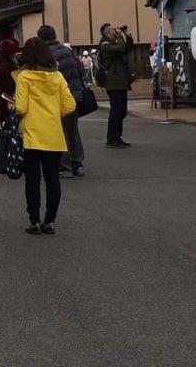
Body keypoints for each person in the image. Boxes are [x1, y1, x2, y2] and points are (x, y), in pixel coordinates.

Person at [14, 36, 76, 234]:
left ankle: (34, 221)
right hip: (53, 132)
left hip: (32, 133)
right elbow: (70, 105)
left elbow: (21, 107)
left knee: (32, 179)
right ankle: (50, 220)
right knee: (52, 179)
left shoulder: (24, 77)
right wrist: (54, 114)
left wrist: (13, 106)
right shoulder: (57, 77)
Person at [37, 25, 86, 178]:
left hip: (58, 98)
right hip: (75, 95)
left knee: (61, 132)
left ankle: (64, 166)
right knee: (73, 131)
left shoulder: (45, 54)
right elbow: (81, 70)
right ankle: (77, 163)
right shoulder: (67, 51)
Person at [98, 23, 135, 147]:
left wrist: (127, 35)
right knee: (116, 111)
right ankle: (112, 138)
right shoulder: (105, 45)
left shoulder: (114, 43)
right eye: (113, 30)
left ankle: (117, 137)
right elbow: (121, 49)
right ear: (107, 32)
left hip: (120, 81)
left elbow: (128, 48)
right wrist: (120, 36)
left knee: (121, 111)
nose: (115, 31)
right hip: (113, 83)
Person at [0, 38, 20, 126]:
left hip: (3, 101)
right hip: (9, 103)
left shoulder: (1, 64)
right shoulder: (7, 66)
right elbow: (8, 89)